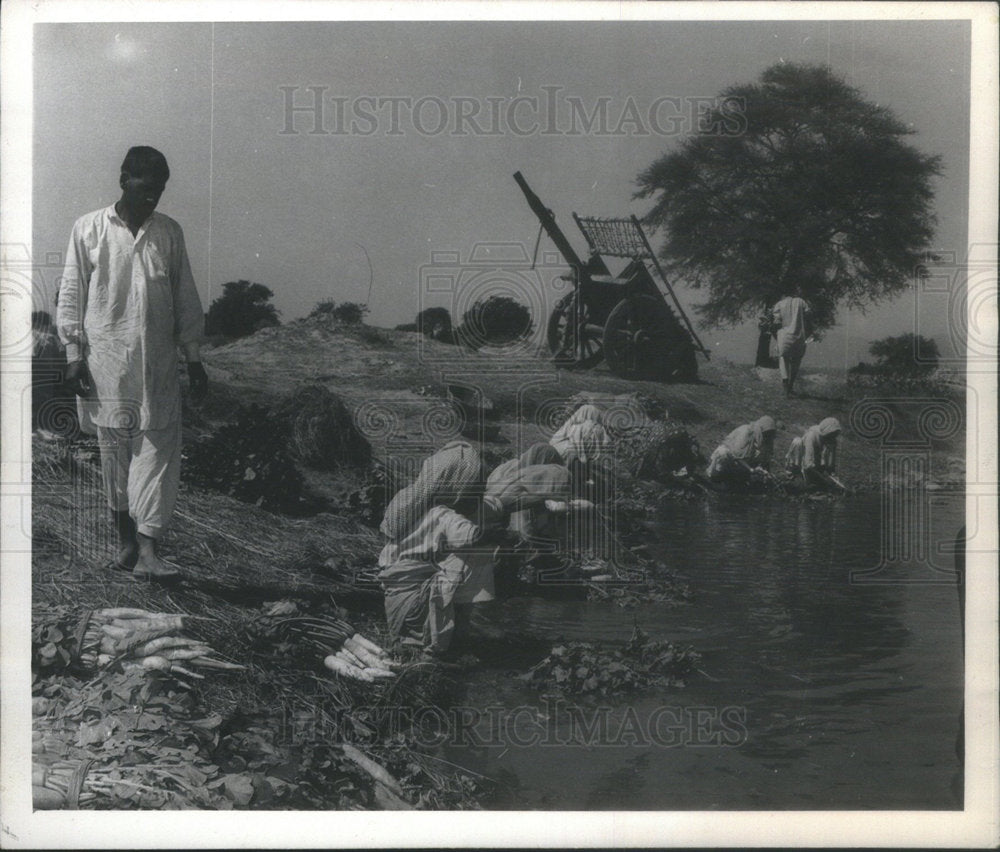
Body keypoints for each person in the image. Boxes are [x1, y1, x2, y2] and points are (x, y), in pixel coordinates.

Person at [57, 146, 207, 580]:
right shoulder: (88, 229)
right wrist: (72, 356)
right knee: (114, 458)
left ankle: (148, 552)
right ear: (124, 179)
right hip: (105, 364)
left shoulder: (169, 233)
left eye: (159, 192)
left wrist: (193, 358)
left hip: (157, 367)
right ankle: (126, 546)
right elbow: (72, 293)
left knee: (158, 456)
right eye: (145, 189)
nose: (152, 199)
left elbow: (185, 297)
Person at [378, 441, 570, 656]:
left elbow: (486, 508)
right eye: (473, 490)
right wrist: (499, 538)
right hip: (415, 608)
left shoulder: (411, 503)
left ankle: (444, 632)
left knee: (461, 557)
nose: (476, 496)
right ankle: (449, 637)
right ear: (457, 488)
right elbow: (472, 535)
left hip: (397, 602)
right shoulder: (443, 515)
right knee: (474, 555)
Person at [706, 415, 779, 486]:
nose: (768, 436)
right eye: (766, 433)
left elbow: (766, 460)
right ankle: (715, 478)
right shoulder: (745, 432)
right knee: (723, 453)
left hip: (745, 465)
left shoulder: (767, 441)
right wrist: (751, 469)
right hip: (732, 459)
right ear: (761, 429)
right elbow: (736, 456)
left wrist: (765, 472)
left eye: (770, 434)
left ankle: (737, 479)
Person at [771, 291, 812, 396]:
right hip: (799, 335)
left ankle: (785, 382)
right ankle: (791, 385)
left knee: (783, 358)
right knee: (797, 360)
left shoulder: (779, 304)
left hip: (784, 335)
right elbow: (808, 315)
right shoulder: (801, 301)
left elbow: (777, 322)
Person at [787, 417, 844, 490]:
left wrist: (833, 477)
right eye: (831, 435)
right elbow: (808, 465)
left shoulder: (831, 440)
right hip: (803, 460)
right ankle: (795, 475)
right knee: (797, 441)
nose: (833, 438)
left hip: (815, 462)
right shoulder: (811, 436)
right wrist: (825, 481)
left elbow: (831, 464)